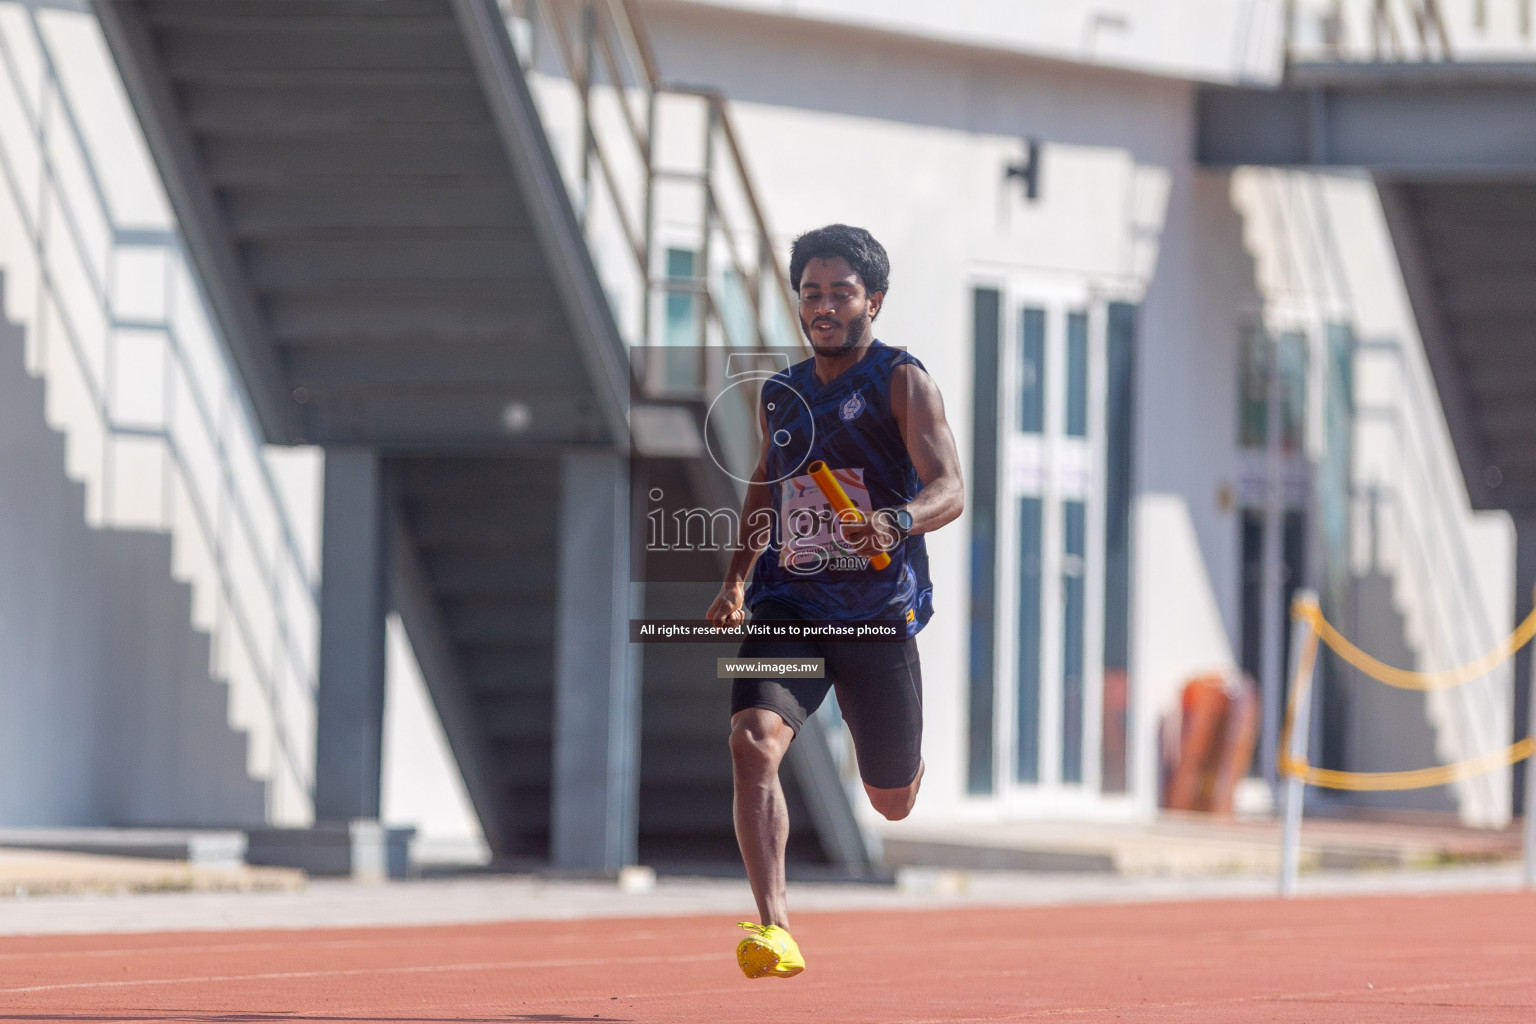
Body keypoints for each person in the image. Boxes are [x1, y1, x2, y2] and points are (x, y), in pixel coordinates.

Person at [706, 224, 964, 979]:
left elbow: (949, 486)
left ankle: (904, 763)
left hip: (877, 615)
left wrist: (895, 518)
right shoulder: (783, 393)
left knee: (891, 802)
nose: (821, 307)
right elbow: (765, 485)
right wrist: (735, 580)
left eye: (838, 293)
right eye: (809, 293)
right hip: (792, 601)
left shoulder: (901, 381)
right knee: (753, 740)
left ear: (872, 301)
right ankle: (774, 928)